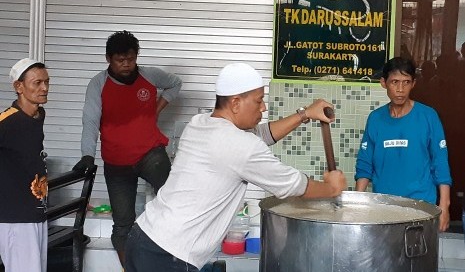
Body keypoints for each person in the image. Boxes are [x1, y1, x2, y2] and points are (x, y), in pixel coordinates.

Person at [124, 62, 347, 272]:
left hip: (142, 236)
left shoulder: (199, 123)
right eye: (258, 101)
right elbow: (294, 186)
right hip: (168, 256)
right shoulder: (241, 146)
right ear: (236, 103)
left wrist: (304, 114)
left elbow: (260, 134)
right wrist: (332, 189)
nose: (264, 107)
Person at [72, 30, 182, 265]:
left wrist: (156, 109)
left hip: (150, 154)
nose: (126, 65)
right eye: (120, 60)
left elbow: (175, 84)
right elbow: (90, 121)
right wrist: (87, 155)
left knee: (177, 202)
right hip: (116, 163)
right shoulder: (98, 84)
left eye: (131, 59)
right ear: (108, 59)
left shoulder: (150, 76)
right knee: (122, 224)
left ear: (136, 56)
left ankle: (174, 259)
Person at [355, 57, 452, 232]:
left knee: (418, 258)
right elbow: (365, 163)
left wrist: (444, 206)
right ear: (383, 83)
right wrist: (357, 205)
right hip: (383, 209)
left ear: (413, 83)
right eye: (395, 82)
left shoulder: (428, 117)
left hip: (421, 208)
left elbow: (440, 163)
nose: (400, 89)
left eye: (406, 82)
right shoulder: (376, 119)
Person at [0, 58, 50, 272]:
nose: (45, 88)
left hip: (36, 212)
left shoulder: (38, 115)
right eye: (37, 83)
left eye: (47, 82)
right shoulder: (7, 122)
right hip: (15, 219)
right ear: (18, 87)